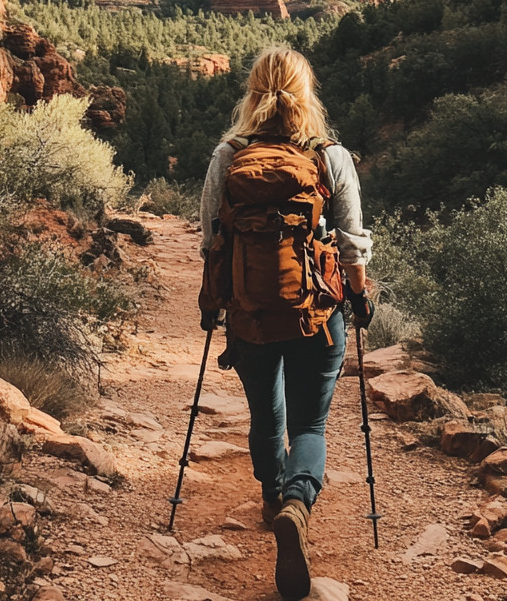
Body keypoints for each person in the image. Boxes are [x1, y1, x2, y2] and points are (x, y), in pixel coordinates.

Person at [198, 46, 373, 601]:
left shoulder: (229, 155)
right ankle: (299, 502)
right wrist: (361, 298)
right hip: (316, 315)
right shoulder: (329, 156)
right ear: (307, 93)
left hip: (249, 315)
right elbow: (351, 244)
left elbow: (210, 242)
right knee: (310, 427)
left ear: (252, 92)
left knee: (265, 417)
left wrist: (214, 304)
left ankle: (273, 498)